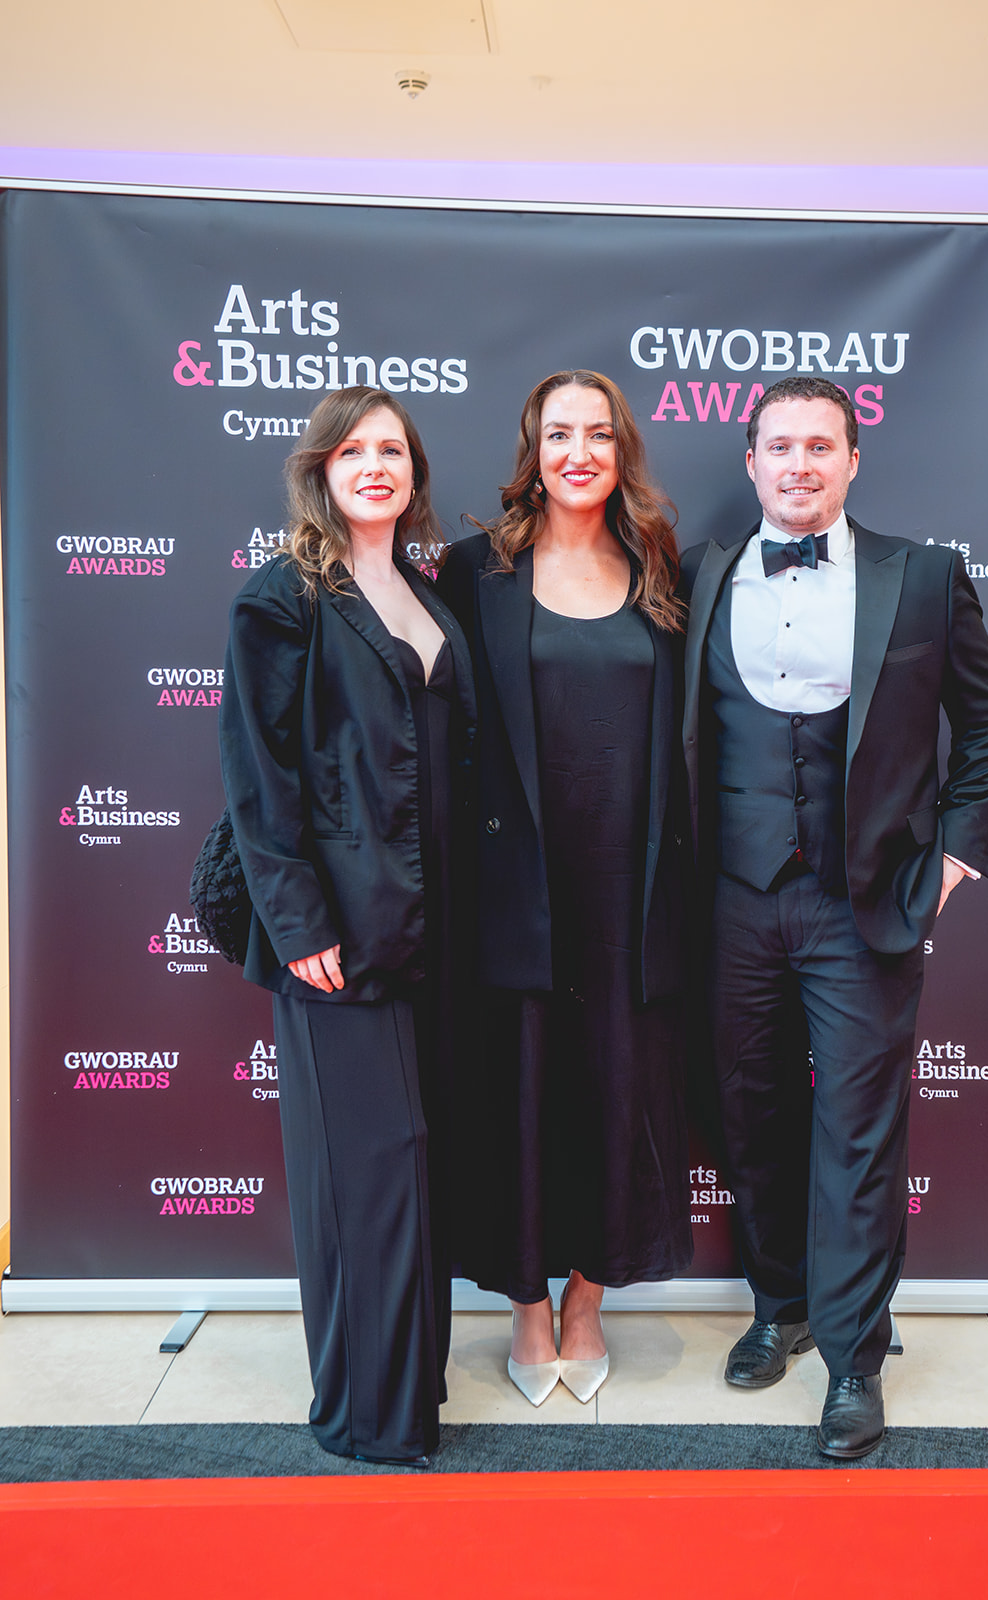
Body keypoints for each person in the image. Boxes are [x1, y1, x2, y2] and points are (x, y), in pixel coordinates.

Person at [680, 375, 988, 1458]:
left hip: (864, 899)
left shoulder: (923, 576)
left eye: (819, 446)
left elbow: (987, 721)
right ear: (750, 462)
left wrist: (955, 854)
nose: (799, 465)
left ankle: (853, 1359)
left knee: (859, 1135)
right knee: (750, 1117)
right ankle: (779, 1305)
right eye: (779, 446)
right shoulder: (696, 575)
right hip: (730, 900)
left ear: (851, 460)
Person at [219, 387, 476, 1464]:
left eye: (393, 450)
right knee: (367, 1169)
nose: (376, 466)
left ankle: (410, 1390)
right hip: (337, 933)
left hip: (432, 925)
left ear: (413, 472)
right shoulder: (283, 595)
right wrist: (297, 923)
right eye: (354, 450)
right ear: (320, 469)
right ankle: (366, 1416)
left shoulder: (424, 590)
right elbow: (259, 777)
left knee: (418, 1164)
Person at [439, 370, 693, 1407]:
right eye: (558, 434)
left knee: (617, 1095)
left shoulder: (661, 567)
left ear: (621, 450)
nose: (577, 452)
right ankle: (526, 1305)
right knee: (520, 1101)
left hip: (633, 894)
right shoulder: (475, 572)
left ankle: (587, 1297)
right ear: (531, 452)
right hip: (515, 891)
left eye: (597, 433)